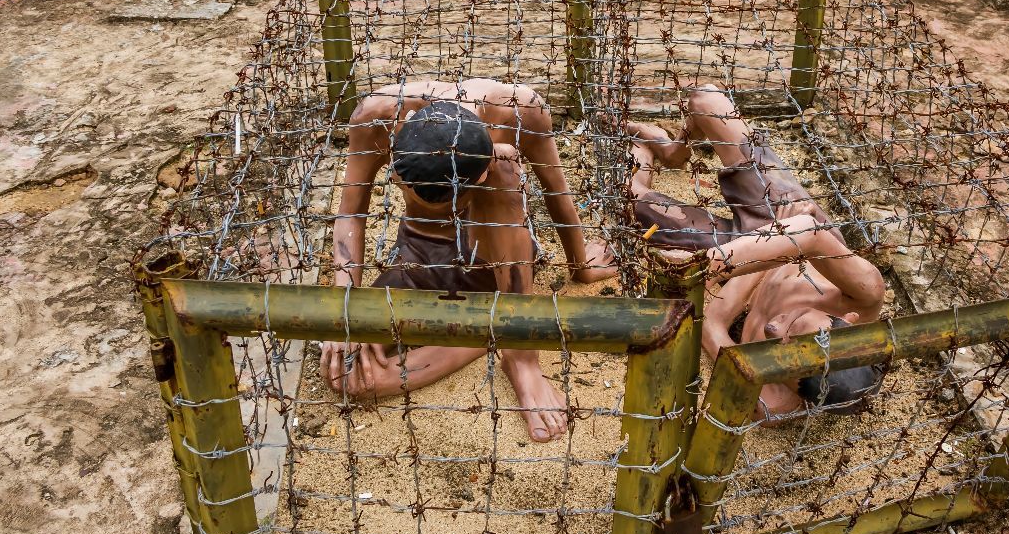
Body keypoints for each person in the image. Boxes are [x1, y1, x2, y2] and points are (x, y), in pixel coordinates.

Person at [320, 79, 612, 443]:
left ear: (482, 174)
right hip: (419, 261)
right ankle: (489, 332)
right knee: (346, 374)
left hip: (497, 264)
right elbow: (350, 215)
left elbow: (557, 188)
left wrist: (581, 264)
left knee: (507, 160)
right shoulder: (375, 118)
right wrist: (345, 307)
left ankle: (520, 355)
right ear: (396, 174)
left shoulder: (520, 111)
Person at [628, 83, 886, 423]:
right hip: (777, 217)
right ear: (847, 322)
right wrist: (722, 266)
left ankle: (645, 151)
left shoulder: (771, 401)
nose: (776, 331)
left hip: (766, 246)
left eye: (781, 355)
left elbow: (710, 325)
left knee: (627, 200)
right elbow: (808, 229)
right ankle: (672, 149)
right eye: (796, 324)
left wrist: (771, 255)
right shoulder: (865, 295)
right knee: (705, 100)